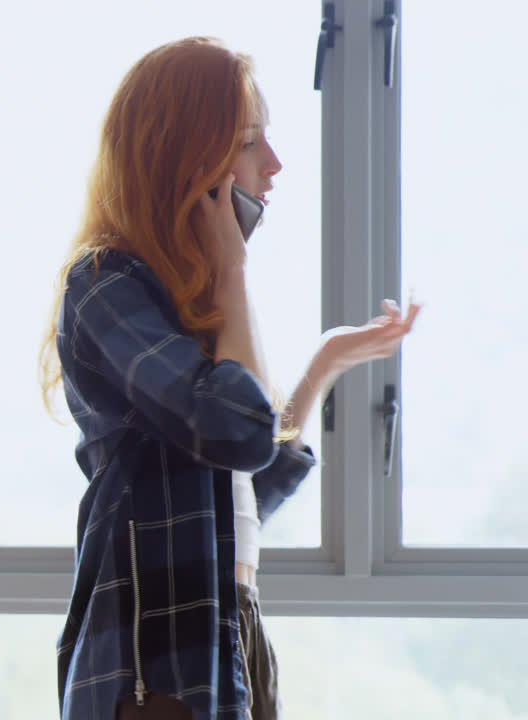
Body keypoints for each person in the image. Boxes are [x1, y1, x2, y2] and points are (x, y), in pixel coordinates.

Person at [39, 37, 420, 720]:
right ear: (186, 157)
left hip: (226, 634)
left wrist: (326, 362)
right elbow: (236, 436)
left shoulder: (185, 304)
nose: (273, 166)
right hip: (154, 668)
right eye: (249, 143)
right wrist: (233, 272)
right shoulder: (106, 285)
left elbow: (240, 492)